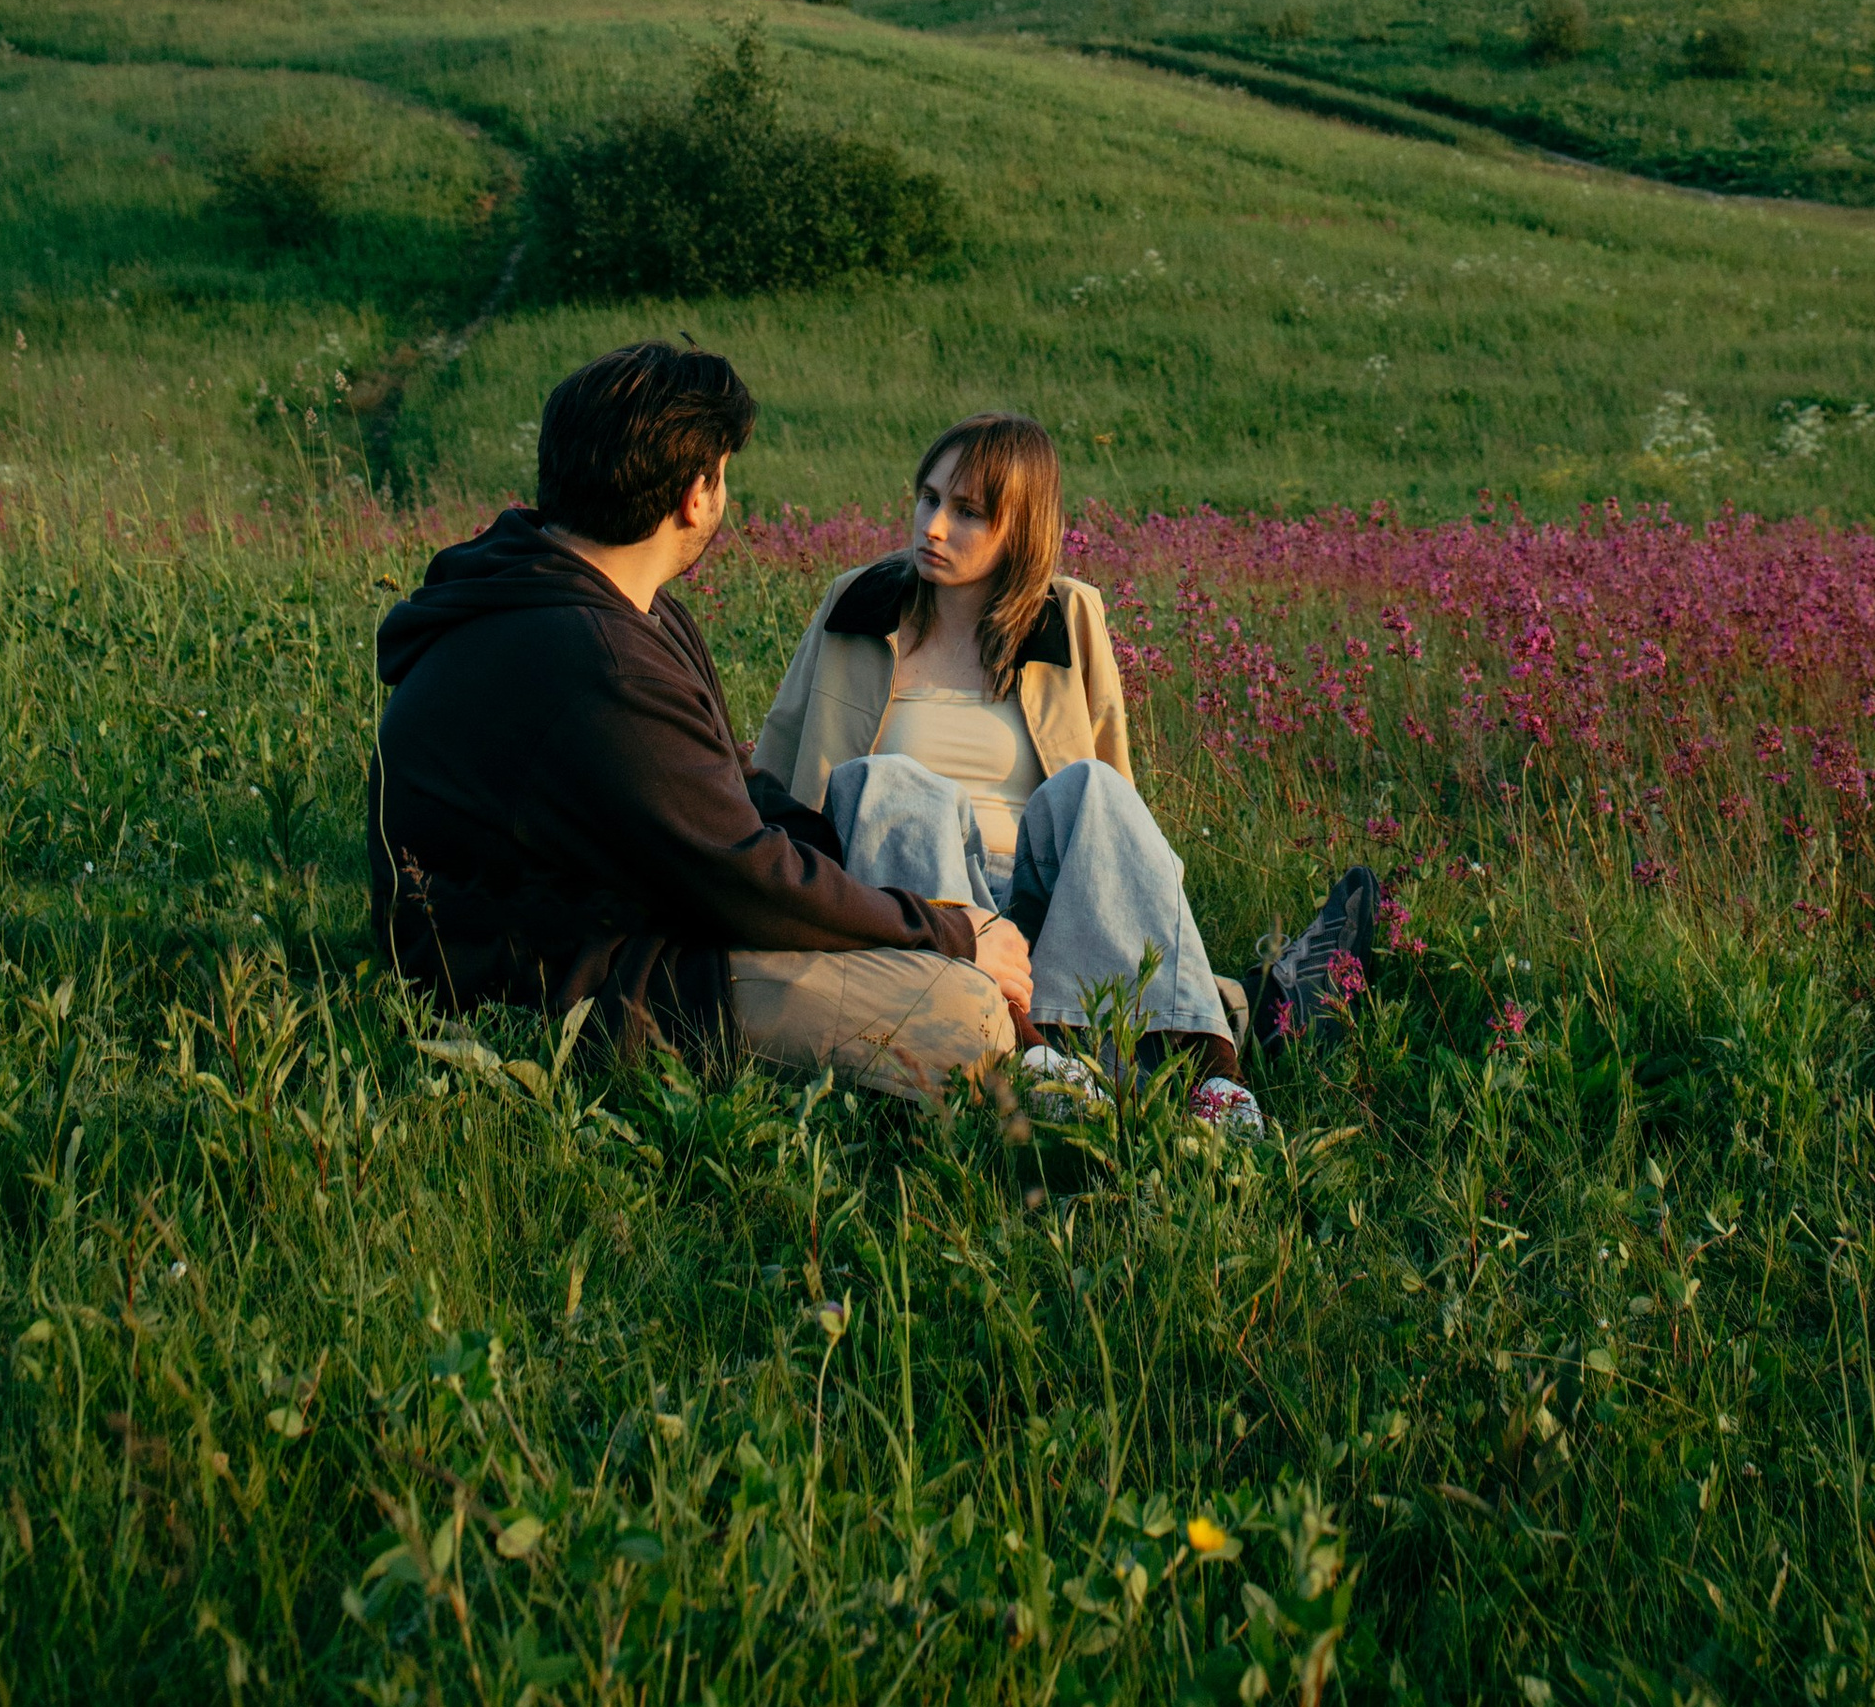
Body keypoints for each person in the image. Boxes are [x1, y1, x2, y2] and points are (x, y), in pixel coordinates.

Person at [367, 342, 1027, 1102]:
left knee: (919, 869)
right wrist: (942, 933)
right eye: (722, 474)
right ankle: (1054, 1045)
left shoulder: (620, 606)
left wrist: (891, 886)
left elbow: (740, 793)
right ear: (695, 494)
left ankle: (1093, 1009)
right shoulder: (597, 660)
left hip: (640, 910)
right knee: (961, 1012)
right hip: (559, 974)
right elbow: (743, 876)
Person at [751, 413, 1266, 1137]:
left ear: (1019, 528)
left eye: (967, 513)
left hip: (1039, 901)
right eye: (928, 499)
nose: (932, 527)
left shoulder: (1069, 614)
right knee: (891, 779)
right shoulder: (855, 605)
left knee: (1092, 788)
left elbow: (1115, 799)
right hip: (912, 893)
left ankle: (1200, 1072)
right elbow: (776, 764)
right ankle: (1023, 1049)